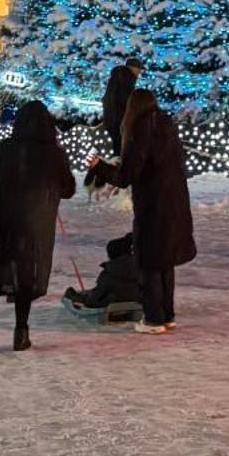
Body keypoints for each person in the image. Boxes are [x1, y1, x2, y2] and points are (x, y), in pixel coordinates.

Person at [87, 85, 196, 334]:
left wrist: (98, 167)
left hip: (153, 206)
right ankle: (167, 315)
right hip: (175, 204)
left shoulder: (140, 130)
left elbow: (127, 175)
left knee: (149, 262)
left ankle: (154, 319)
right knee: (165, 262)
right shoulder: (166, 128)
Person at [0, 98, 74, 351]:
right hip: (34, 226)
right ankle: (20, 334)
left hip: (0, 224)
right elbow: (68, 189)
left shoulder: (2, 151)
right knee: (25, 278)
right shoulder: (54, 155)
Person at [100, 61, 139, 158]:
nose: (139, 73)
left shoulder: (116, 78)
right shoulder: (127, 80)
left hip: (111, 119)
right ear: (133, 68)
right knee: (122, 151)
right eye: (138, 69)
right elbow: (126, 101)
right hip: (121, 121)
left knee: (115, 150)